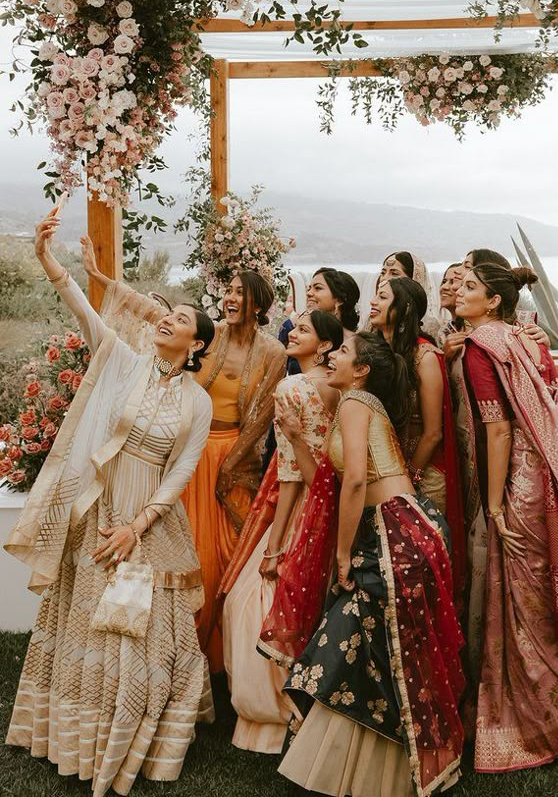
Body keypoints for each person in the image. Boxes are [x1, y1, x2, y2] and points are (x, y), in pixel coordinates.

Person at [6, 208, 216, 797]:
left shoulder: (197, 404)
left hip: (151, 518)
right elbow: (82, 307)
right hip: (101, 509)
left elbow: (184, 469)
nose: (162, 321)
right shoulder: (125, 360)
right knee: (90, 616)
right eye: (164, 315)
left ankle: (137, 738)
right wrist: (49, 259)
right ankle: (73, 734)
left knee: (140, 631)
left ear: (195, 344)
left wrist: (140, 526)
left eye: (176, 320)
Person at [259, 331, 465, 797]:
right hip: (399, 529)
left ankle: (383, 769)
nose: (331, 356)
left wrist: (342, 555)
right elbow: (330, 487)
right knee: (364, 642)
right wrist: (294, 437)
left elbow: (355, 483)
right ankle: (364, 771)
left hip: (395, 536)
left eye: (343, 352)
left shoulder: (356, 402)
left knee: (382, 645)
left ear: (363, 369)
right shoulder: (356, 404)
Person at [81, 241, 286, 673]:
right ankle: (170, 652)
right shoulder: (206, 339)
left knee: (220, 561)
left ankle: (216, 662)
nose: (230, 298)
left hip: (232, 461)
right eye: (228, 290)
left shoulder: (273, 353)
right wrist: (102, 281)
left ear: (259, 305)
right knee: (176, 554)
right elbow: (151, 314)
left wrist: (229, 469)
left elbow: (261, 419)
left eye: (239, 293)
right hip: (183, 456)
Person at [455, 262, 558, 772]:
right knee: (547, 589)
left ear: (493, 302)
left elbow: (498, 430)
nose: (458, 293)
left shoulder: (483, 348)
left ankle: (532, 721)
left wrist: (492, 501)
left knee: (523, 598)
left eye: (469, 288)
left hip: (523, 485)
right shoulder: (528, 337)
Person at [219, 309, 343, 753]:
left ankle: (273, 712)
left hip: (306, 509)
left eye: (304, 331)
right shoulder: (344, 387)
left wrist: (273, 546)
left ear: (325, 346)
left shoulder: (291, 388)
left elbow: (291, 475)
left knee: (252, 603)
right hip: (340, 504)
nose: (292, 333)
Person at [369, 276, 466, 599]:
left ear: (404, 307)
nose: (373, 303)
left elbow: (434, 431)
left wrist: (408, 475)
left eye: (382, 297)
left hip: (423, 471)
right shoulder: (375, 351)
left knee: (420, 557)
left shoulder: (424, 357)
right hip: (384, 469)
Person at [379, 251, 441, 337]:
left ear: (413, 280)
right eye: (383, 273)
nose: (384, 279)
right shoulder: (375, 317)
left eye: (394, 274)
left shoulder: (429, 325)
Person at [438, 261, 465, 340]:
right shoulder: (443, 330)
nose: (444, 287)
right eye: (444, 281)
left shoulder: (471, 330)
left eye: (453, 282)